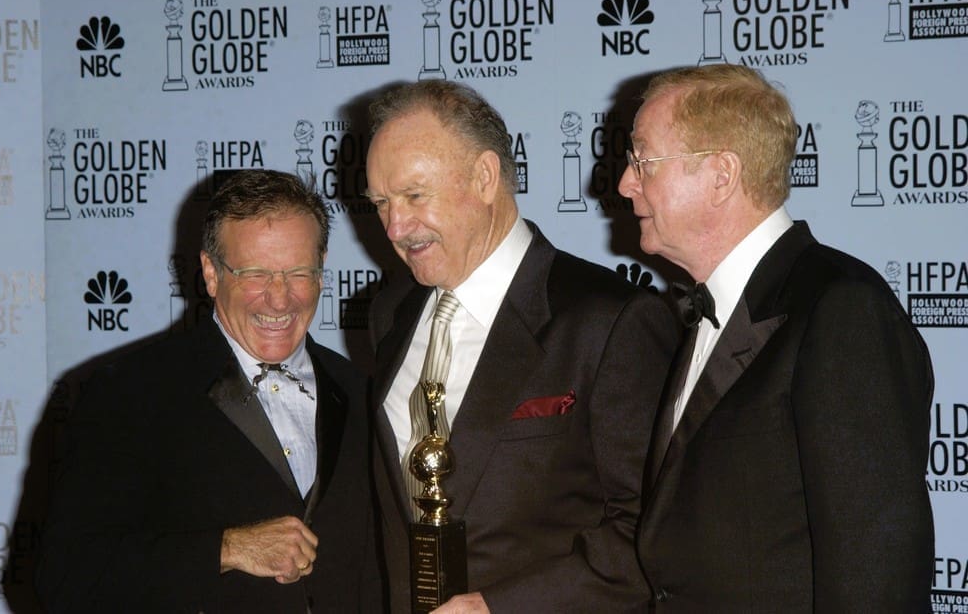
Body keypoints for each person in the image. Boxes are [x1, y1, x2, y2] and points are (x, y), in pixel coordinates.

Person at [618, 64, 934, 611]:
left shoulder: (841, 308)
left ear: (721, 175)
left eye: (642, 160)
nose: (625, 183)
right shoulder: (697, 313)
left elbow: (876, 571)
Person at [364, 80, 679, 613]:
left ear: (485, 177)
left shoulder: (609, 320)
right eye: (381, 203)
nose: (396, 226)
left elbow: (652, 530)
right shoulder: (389, 314)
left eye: (415, 196)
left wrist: (498, 608)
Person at [36, 169, 382, 612]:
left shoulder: (360, 394)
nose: (280, 299)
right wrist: (226, 549)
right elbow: (66, 575)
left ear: (321, 270)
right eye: (255, 274)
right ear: (211, 273)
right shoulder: (129, 393)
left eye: (298, 272)